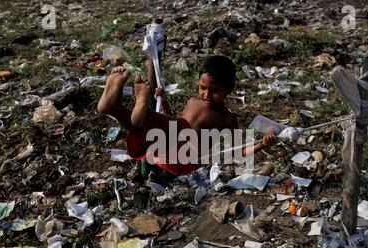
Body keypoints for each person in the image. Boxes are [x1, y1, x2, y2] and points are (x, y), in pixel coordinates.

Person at [97, 55, 276, 179]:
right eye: (203, 87)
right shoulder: (193, 102)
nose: (206, 94)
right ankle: (114, 109)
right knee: (144, 129)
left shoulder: (226, 119)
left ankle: (136, 108)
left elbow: (236, 153)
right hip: (164, 151)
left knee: (166, 126)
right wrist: (163, 103)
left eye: (215, 91)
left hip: (186, 159)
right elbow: (170, 119)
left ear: (228, 90)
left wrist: (262, 144)